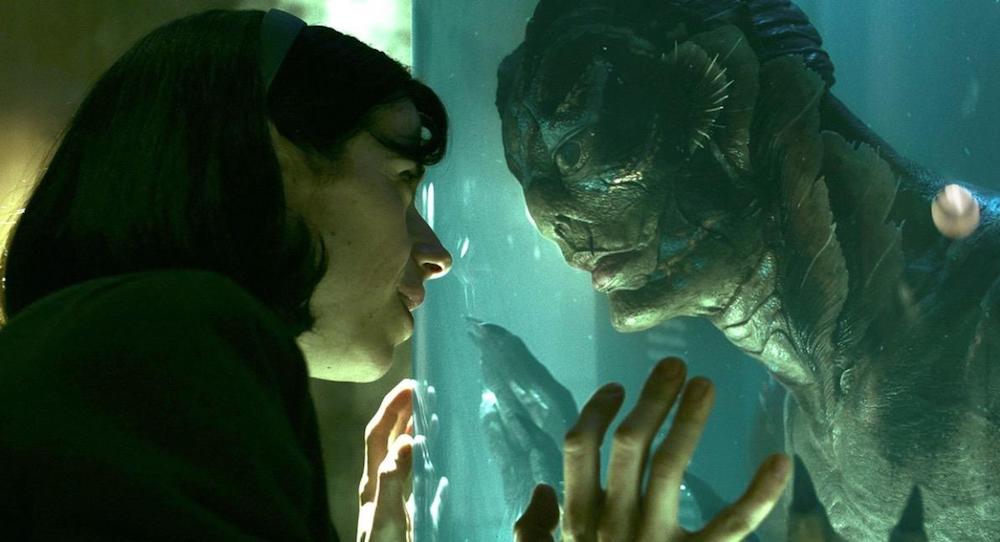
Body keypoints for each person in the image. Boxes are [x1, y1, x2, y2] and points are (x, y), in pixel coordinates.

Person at [0, 8, 789, 541]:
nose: (436, 252)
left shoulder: (96, 358)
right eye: (404, 179)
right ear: (270, 163)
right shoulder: (157, 338)